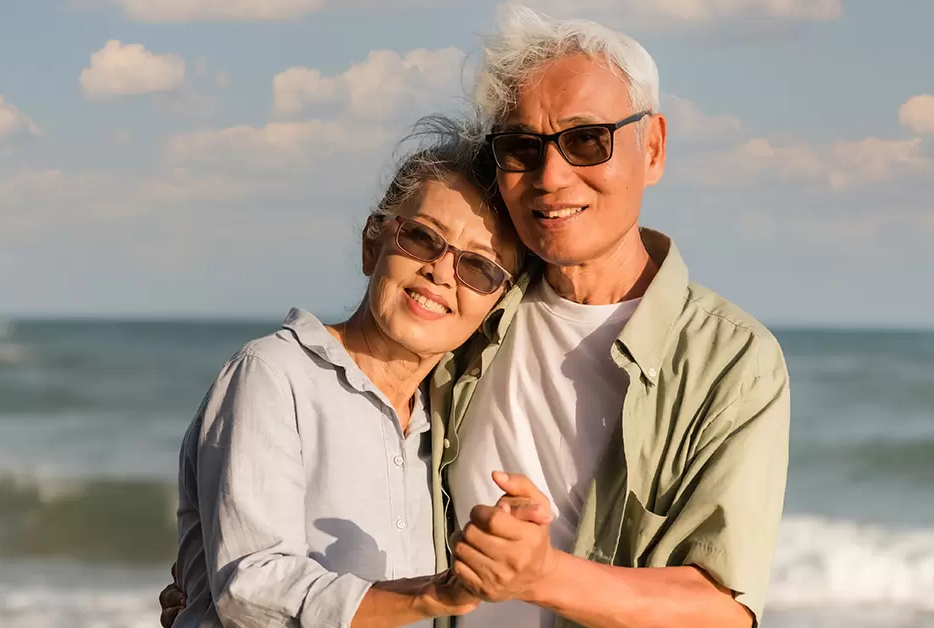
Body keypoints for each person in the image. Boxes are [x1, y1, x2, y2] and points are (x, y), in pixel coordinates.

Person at [163, 7, 790, 628]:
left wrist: (544, 575)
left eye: (585, 140)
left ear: (651, 146)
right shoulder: (475, 314)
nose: (552, 175)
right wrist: (204, 584)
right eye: (522, 148)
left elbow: (722, 610)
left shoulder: (732, 361)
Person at [170, 115, 541, 628]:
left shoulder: (444, 422)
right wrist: (432, 595)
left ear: (495, 305)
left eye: (477, 268)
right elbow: (251, 588)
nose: (440, 272)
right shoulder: (274, 375)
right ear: (373, 242)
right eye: (422, 238)